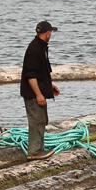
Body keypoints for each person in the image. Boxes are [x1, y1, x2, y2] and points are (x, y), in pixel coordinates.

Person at [21, 20, 62, 159]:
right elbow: (30, 75)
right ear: (48, 33)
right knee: (36, 120)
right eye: (51, 32)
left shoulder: (41, 47)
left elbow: (41, 73)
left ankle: (39, 148)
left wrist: (49, 87)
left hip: (38, 90)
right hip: (32, 92)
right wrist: (38, 94)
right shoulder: (35, 49)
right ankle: (34, 152)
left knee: (42, 119)